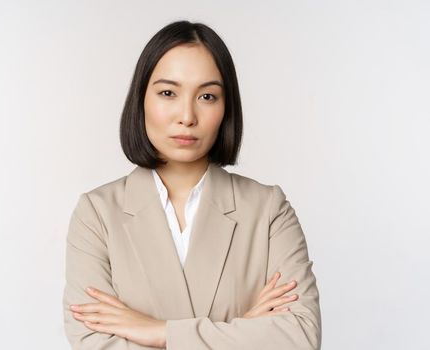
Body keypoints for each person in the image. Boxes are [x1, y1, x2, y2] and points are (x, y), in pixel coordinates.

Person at [62, 20, 321, 349]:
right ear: (141, 99)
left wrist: (160, 332)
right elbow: (93, 342)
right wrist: (243, 329)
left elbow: (299, 338)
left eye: (207, 96)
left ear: (226, 108)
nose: (187, 115)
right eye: (168, 93)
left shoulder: (268, 208)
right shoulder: (97, 214)